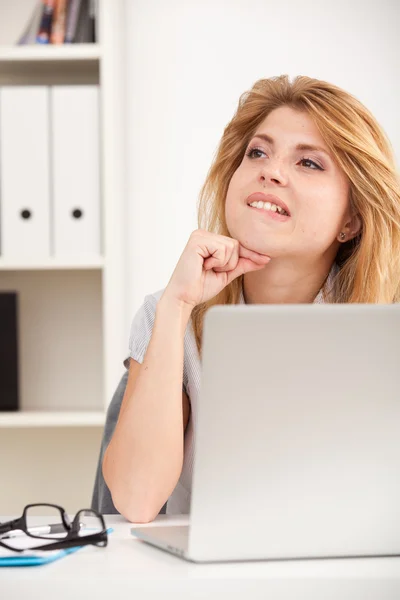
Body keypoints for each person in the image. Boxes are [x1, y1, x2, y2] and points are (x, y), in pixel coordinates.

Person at [102, 74, 400, 523]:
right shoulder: (169, 313)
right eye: (257, 152)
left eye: (310, 164)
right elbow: (137, 499)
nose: (270, 170)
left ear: (351, 221)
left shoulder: (384, 322)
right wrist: (176, 308)